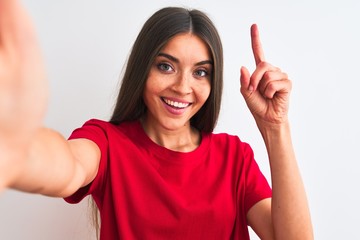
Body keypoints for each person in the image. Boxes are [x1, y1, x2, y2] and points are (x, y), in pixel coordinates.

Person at [0, 1, 313, 239]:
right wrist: (14, 149)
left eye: (200, 72)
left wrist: (276, 128)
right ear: (143, 69)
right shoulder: (109, 144)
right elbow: (66, 167)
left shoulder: (234, 158)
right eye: (166, 66)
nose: (182, 87)